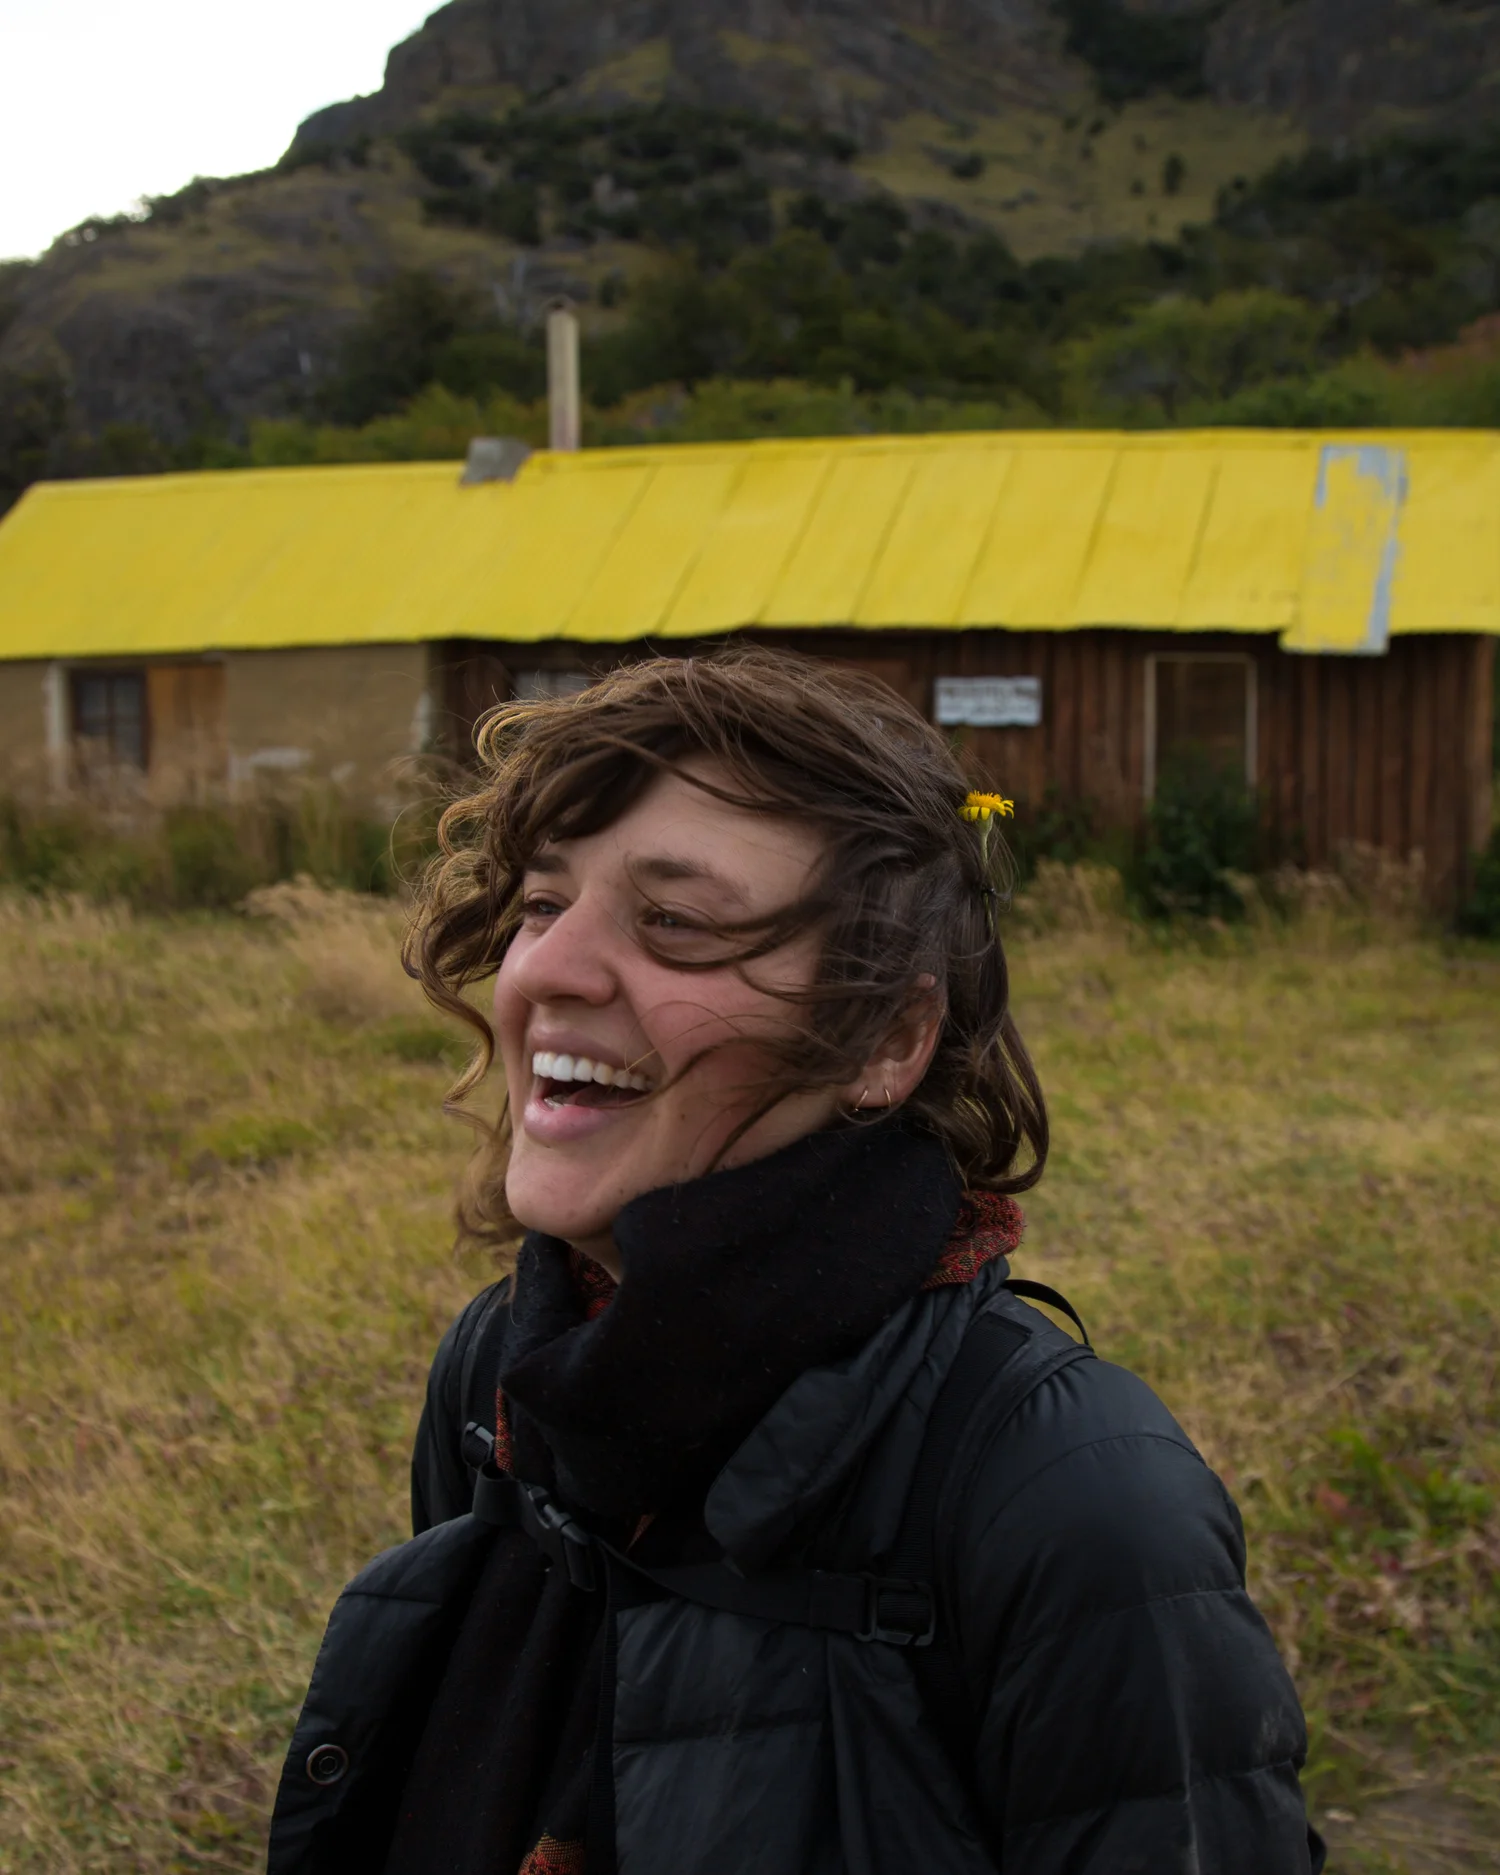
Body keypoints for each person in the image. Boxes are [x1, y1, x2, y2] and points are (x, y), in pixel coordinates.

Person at [268, 647, 1325, 1875]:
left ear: (886, 1040)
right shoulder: (501, 1371)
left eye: (675, 921)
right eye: (546, 903)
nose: (543, 967)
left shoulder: (1074, 1502)